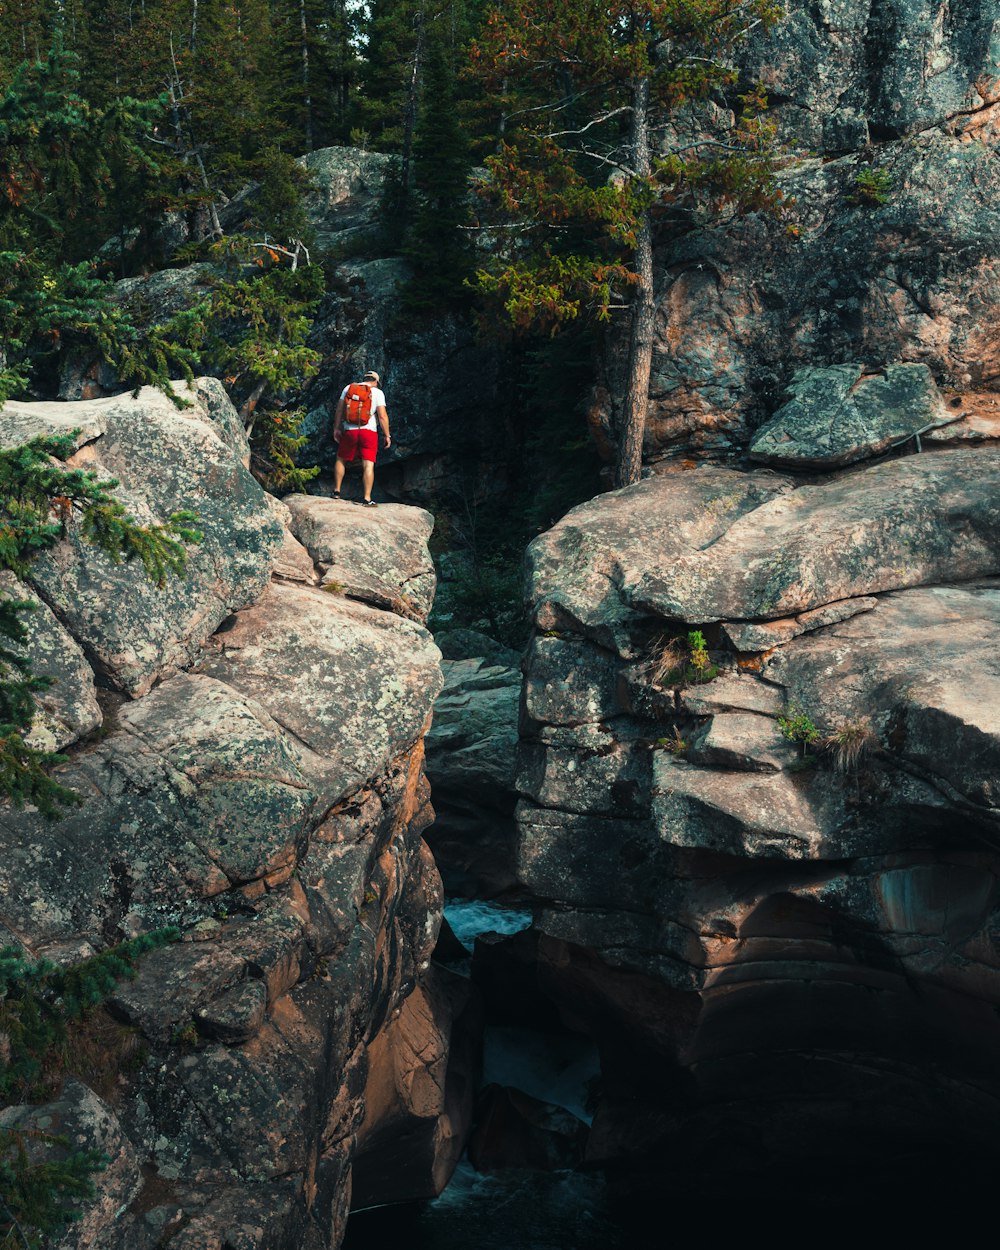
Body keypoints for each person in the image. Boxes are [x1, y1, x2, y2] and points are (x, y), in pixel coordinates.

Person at [332, 369, 391, 506]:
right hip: (368, 431)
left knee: (341, 459)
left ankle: (336, 491)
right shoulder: (378, 393)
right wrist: (387, 435)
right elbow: (382, 416)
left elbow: (339, 410)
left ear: (364, 378)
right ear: (376, 382)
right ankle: (367, 498)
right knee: (368, 464)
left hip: (349, 430)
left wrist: (336, 428)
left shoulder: (349, 388)